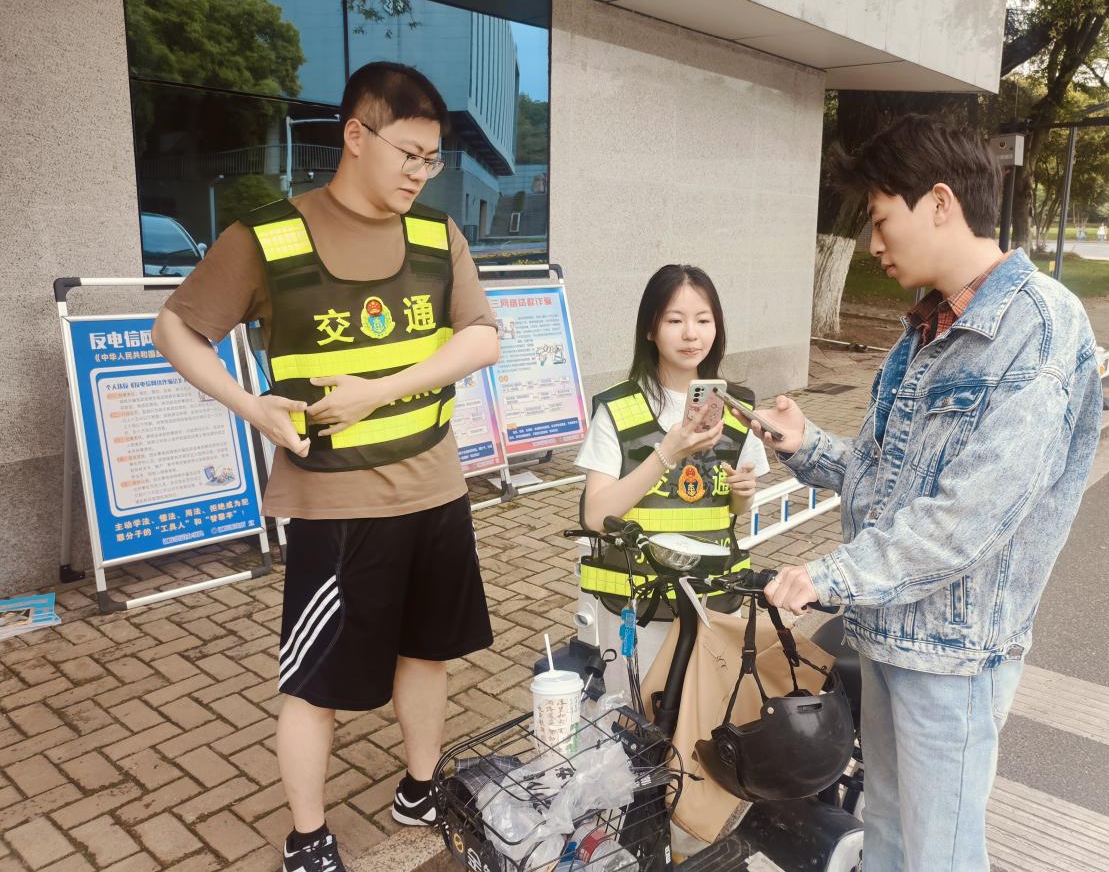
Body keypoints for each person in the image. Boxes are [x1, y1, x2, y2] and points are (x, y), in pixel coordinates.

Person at [152, 62, 500, 872]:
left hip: (435, 487)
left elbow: (481, 338)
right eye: (409, 154)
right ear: (355, 135)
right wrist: (250, 404)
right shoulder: (269, 237)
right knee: (315, 682)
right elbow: (175, 329)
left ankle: (419, 787)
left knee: (428, 651)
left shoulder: (437, 236)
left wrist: (379, 391)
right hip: (336, 506)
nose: (420, 173)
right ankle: (307, 836)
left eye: (431, 160)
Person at [750, 115, 1103, 871]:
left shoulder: (1038, 327)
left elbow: (968, 517)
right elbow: (893, 482)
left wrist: (828, 574)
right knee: (888, 833)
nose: (874, 244)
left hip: (952, 659)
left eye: (881, 220)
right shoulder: (926, 329)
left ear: (940, 203)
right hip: (889, 634)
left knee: (939, 854)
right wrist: (807, 444)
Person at [574, 265, 771, 686]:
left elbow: (734, 509)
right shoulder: (617, 409)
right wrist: (668, 453)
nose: (691, 334)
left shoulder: (737, 410)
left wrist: (744, 492)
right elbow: (595, 516)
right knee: (637, 713)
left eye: (703, 320)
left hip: (714, 598)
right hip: (637, 603)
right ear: (650, 329)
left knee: (708, 713)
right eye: (675, 320)